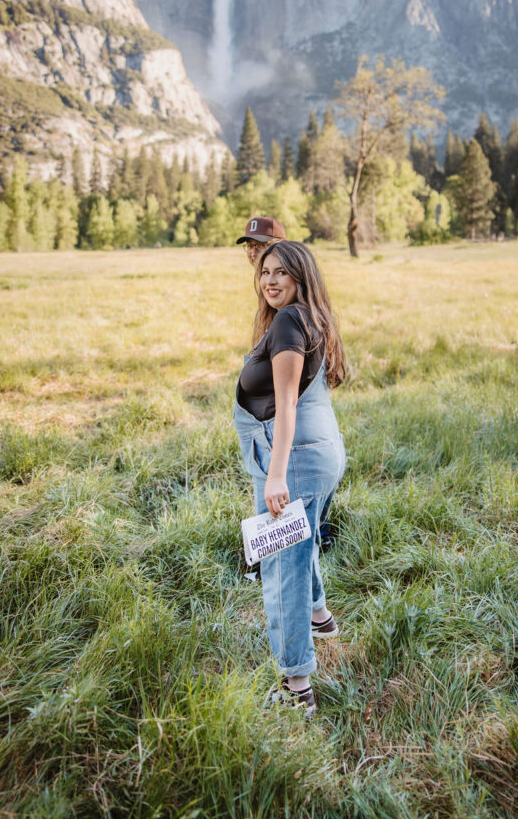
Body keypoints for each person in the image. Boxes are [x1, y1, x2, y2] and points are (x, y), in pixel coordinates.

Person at [233, 241, 346, 716]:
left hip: (293, 460)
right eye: (265, 272)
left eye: (282, 272)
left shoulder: (288, 322)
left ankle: (296, 685)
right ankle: (321, 619)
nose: (271, 281)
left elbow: (287, 406)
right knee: (301, 548)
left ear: (301, 276)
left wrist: (275, 474)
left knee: (283, 571)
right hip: (316, 455)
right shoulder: (308, 316)